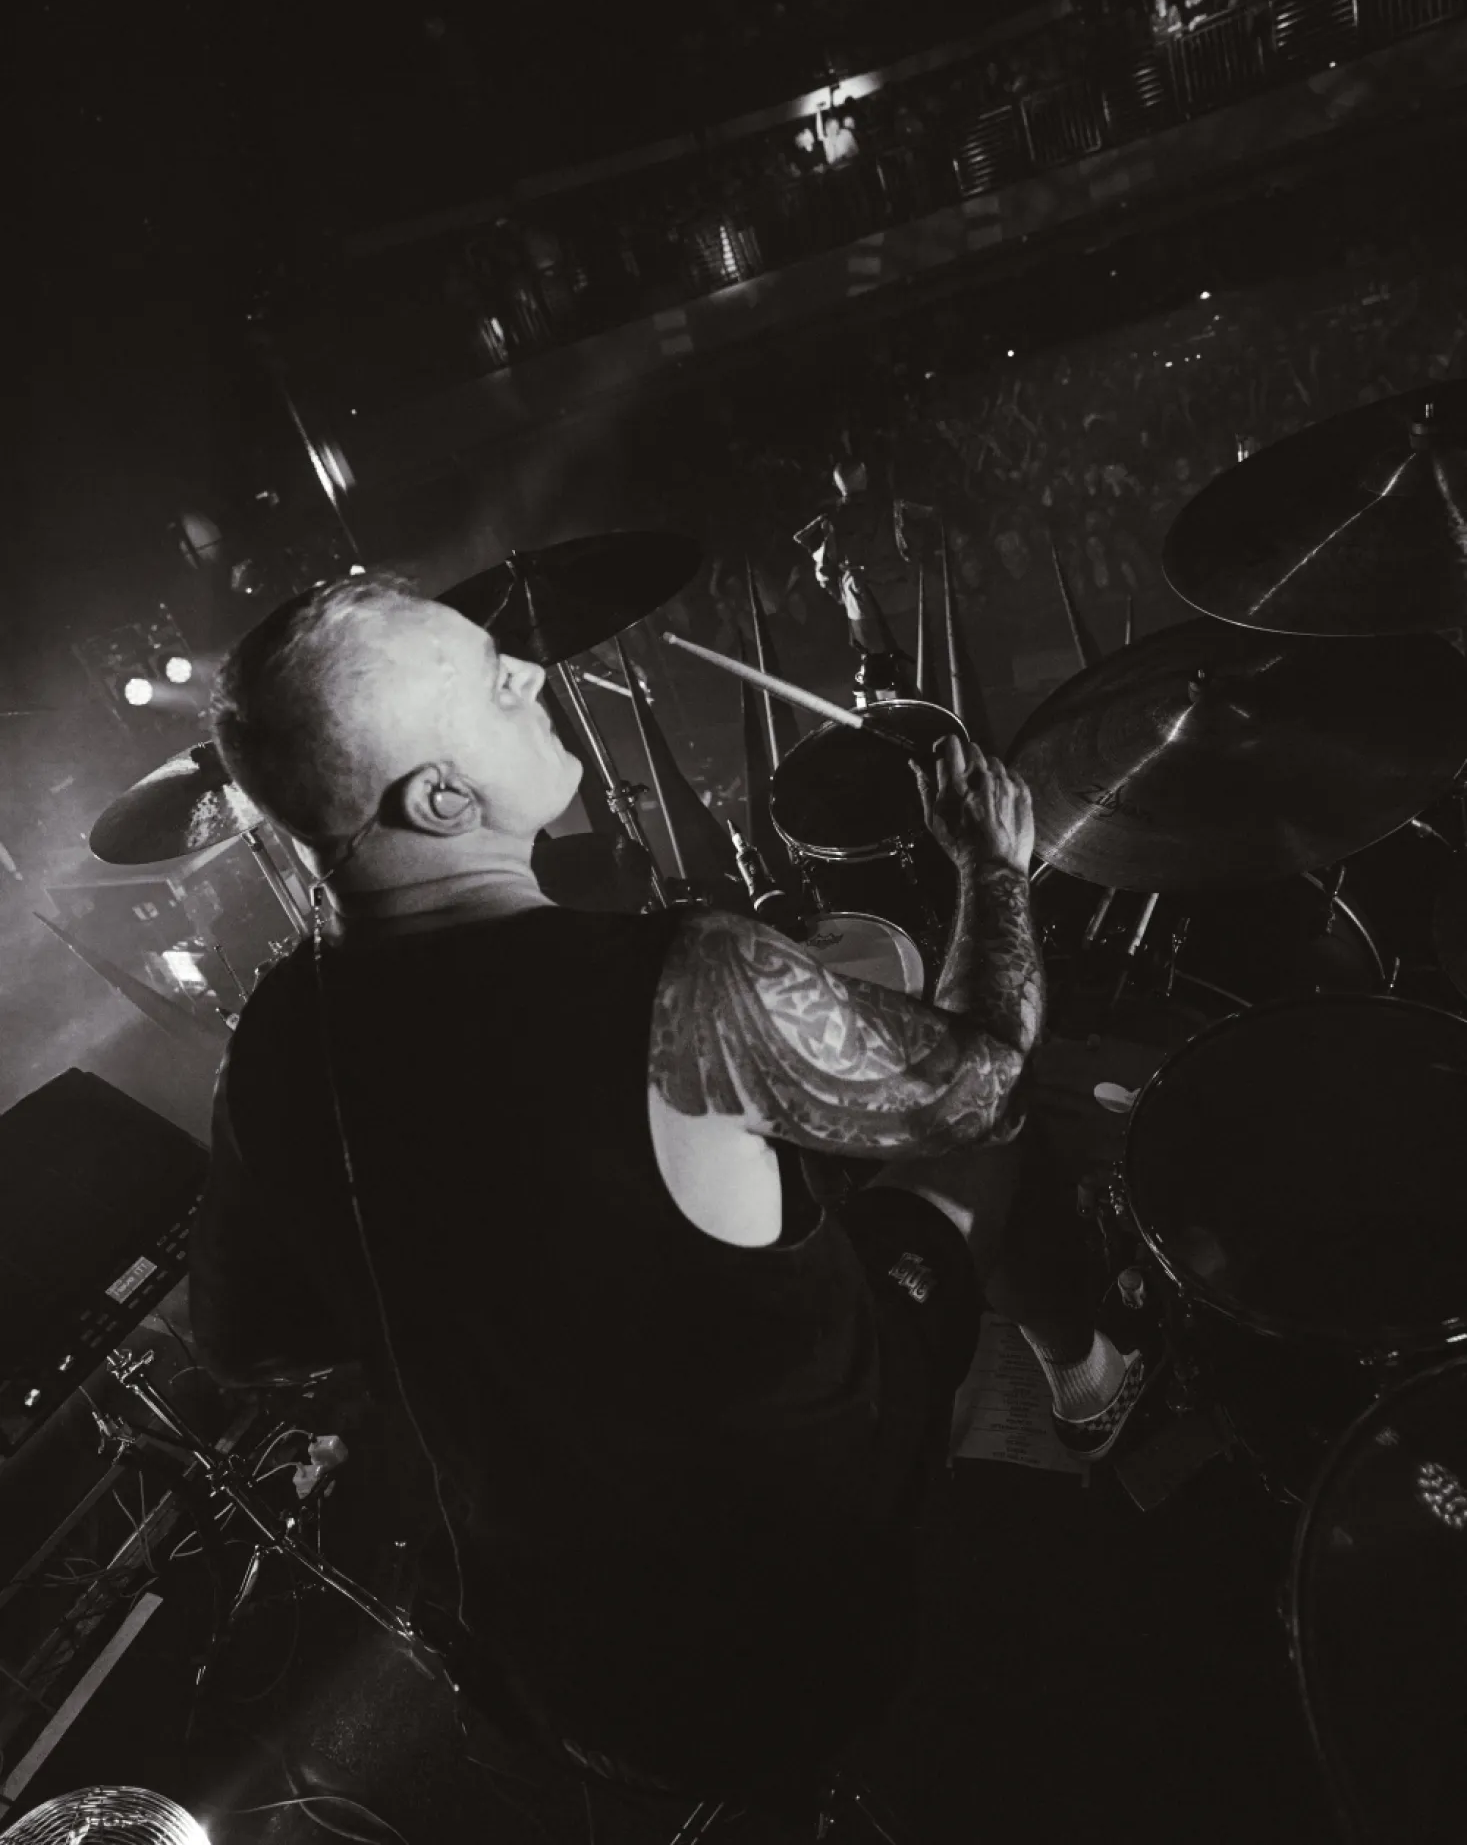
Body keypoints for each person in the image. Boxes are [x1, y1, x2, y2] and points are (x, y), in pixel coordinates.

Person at [187, 574, 1162, 1795]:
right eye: (497, 682)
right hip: (807, 1610)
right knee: (992, 1134)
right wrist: (992, 868)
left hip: (559, 1655)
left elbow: (244, 1339)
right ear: (441, 798)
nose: (533, 673)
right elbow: (984, 1075)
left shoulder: (276, 1036)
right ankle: (1091, 1380)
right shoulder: (687, 979)